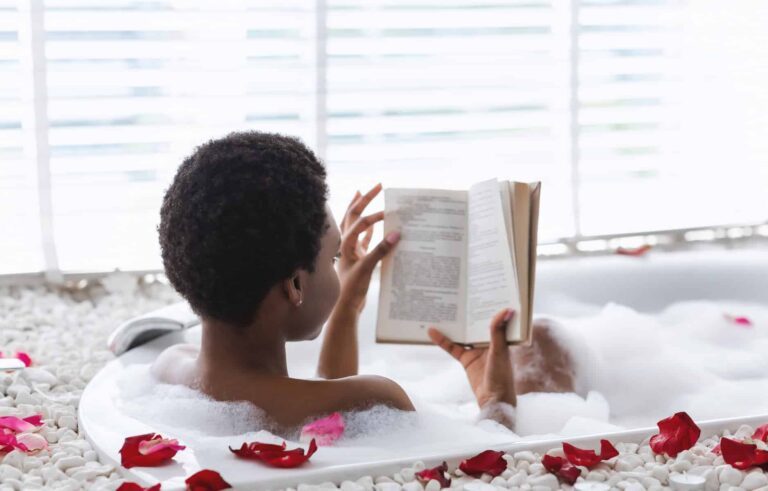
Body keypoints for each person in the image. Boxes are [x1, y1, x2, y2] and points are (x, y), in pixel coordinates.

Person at [151, 131, 575, 431]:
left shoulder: (171, 368)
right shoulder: (376, 400)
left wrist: (347, 310)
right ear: (296, 286)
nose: (340, 268)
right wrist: (496, 403)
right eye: (334, 257)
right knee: (544, 341)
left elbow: (313, 400)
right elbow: (482, 462)